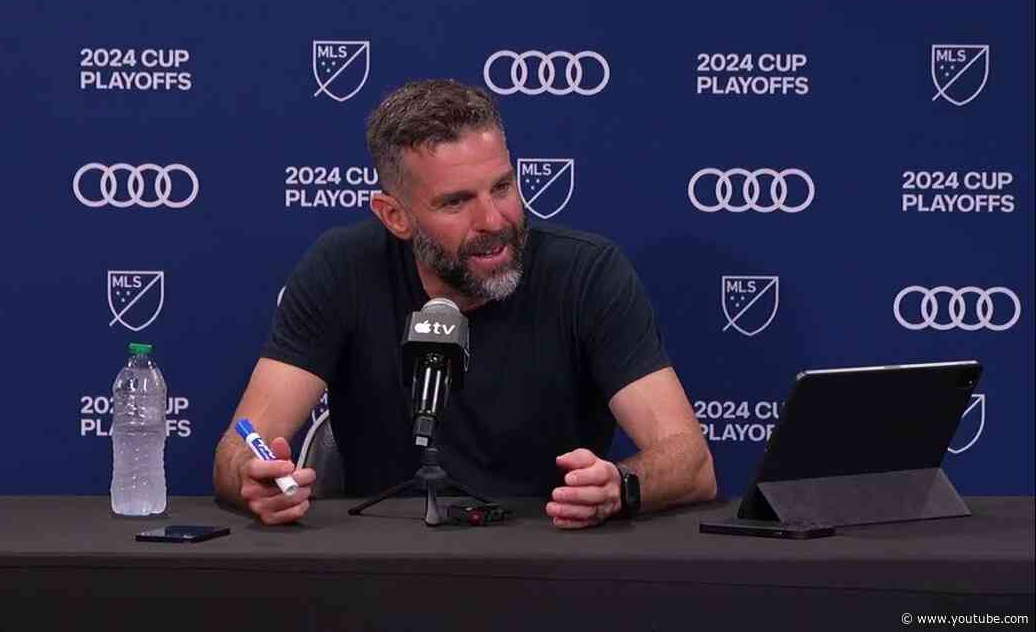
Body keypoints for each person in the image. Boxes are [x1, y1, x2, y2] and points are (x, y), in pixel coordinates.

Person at [214, 79, 716, 529]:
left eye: (503, 187)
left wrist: (621, 487)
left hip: (548, 557)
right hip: (381, 561)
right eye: (455, 202)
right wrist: (252, 478)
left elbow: (691, 462)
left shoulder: (587, 273)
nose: (493, 220)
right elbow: (239, 446)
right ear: (395, 216)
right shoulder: (341, 267)